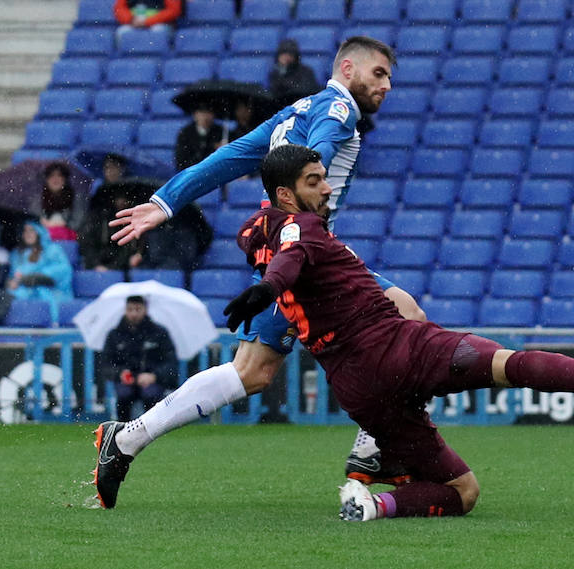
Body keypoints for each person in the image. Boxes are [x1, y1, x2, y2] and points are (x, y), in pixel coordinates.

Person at [92, 145, 574, 516]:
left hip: (353, 381)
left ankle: (372, 496)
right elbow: (295, 249)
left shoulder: (257, 228)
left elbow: (278, 245)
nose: (327, 187)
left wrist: (271, 281)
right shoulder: (321, 152)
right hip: (392, 348)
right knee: (506, 362)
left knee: (462, 491)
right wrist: (271, 285)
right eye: (315, 179)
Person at [100, 37, 420, 509]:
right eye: (379, 74)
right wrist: (303, 207)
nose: (387, 85)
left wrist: (164, 201)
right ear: (348, 68)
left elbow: (224, 161)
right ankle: (374, 445)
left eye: (389, 77)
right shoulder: (337, 111)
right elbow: (316, 158)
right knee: (402, 321)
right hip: (306, 257)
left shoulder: (292, 113)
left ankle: (126, 439)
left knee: (257, 370)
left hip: (299, 250)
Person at [101, 295, 178, 421]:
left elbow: (171, 364)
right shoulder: (114, 335)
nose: (134, 314)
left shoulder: (159, 333)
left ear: (145, 310)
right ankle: (122, 431)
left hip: (152, 381)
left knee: (151, 395)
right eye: (130, 309)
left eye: (138, 309)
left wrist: (154, 376)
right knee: (123, 395)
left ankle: (154, 428)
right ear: (125, 310)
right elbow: (106, 364)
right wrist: (120, 373)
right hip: (126, 381)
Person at [7, 221, 74, 324]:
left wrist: (35, 277)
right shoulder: (17, 254)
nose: (28, 234)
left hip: (49, 291)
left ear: (39, 232)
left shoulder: (52, 250)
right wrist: (11, 282)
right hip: (23, 292)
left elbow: (63, 270)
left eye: (31, 230)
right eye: (25, 231)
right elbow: (13, 275)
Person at [78, 182, 144, 272]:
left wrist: (139, 254)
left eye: (125, 198)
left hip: (125, 269)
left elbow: (136, 248)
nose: (121, 201)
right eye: (118, 197)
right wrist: (96, 264)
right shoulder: (98, 219)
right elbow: (87, 243)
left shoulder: (136, 220)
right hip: (98, 267)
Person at [31, 162, 85, 242]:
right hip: (42, 244)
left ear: (65, 179)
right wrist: (41, 222)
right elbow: (32, 221)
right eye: (51, 175)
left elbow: (79, 222)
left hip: (69, 243)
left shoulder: (76, 198)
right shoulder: (38, 199)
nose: (55, 179)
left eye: (59, 175)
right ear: (46, 179)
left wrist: (64, 225)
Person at [267, 39, 321, 110]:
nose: (286, 57)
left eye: (289, 54)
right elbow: (274, 94)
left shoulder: (306, 71)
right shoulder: (275, 73)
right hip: (281, 108)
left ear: (295, 56)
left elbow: (306, 91)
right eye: (283, 54)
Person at [174, 103, 225, 172]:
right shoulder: (185, 133)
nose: (205, 117)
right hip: (191, 173)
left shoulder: (221, 132)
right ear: (195, 115)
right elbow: (180, 161)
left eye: (209, 112)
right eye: (202, 113)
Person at [113, 0, 182, 43]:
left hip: (161, 25)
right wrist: (131, 19)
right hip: (133, 24)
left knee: (158, 31)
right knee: (121, 32)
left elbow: (174, 10)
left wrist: (147, 21)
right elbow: (119, 8)